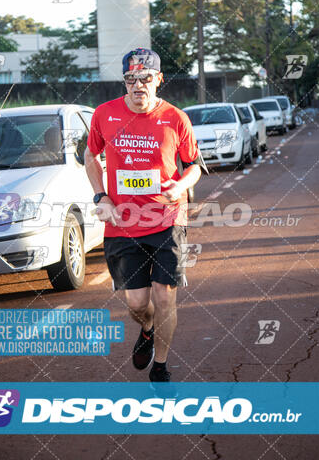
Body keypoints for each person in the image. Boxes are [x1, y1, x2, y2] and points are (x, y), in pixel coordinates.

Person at [84, 48, 205, 384]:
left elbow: (194, 166)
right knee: (137, 304)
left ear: (158, 80)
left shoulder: (176, 118)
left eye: (145, 78)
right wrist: (101, 195)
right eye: (130, 79)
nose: (138, 85)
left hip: (167, 218)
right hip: (122, 224)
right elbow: (89, 155)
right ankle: (147, 329)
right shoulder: (104, 115)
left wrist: (179, 186)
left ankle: (161, 367)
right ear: (124, 81)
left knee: (164, 295)